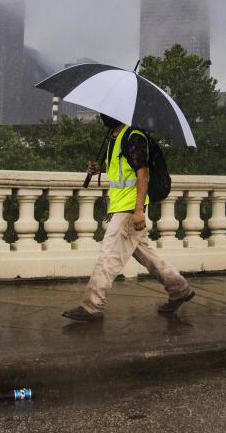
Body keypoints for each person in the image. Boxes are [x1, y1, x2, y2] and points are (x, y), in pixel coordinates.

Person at [61, 114, 195, 322]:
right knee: (147, 256)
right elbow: (120, 169)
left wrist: (139, 210)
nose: (101, 116)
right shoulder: (115, 137)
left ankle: (91, 305)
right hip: (120, 206)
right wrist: (100, 168)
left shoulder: (134, 137)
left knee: (108, 256)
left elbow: (143, 176)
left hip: (129, 209)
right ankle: (180, 289)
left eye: (105, 113)